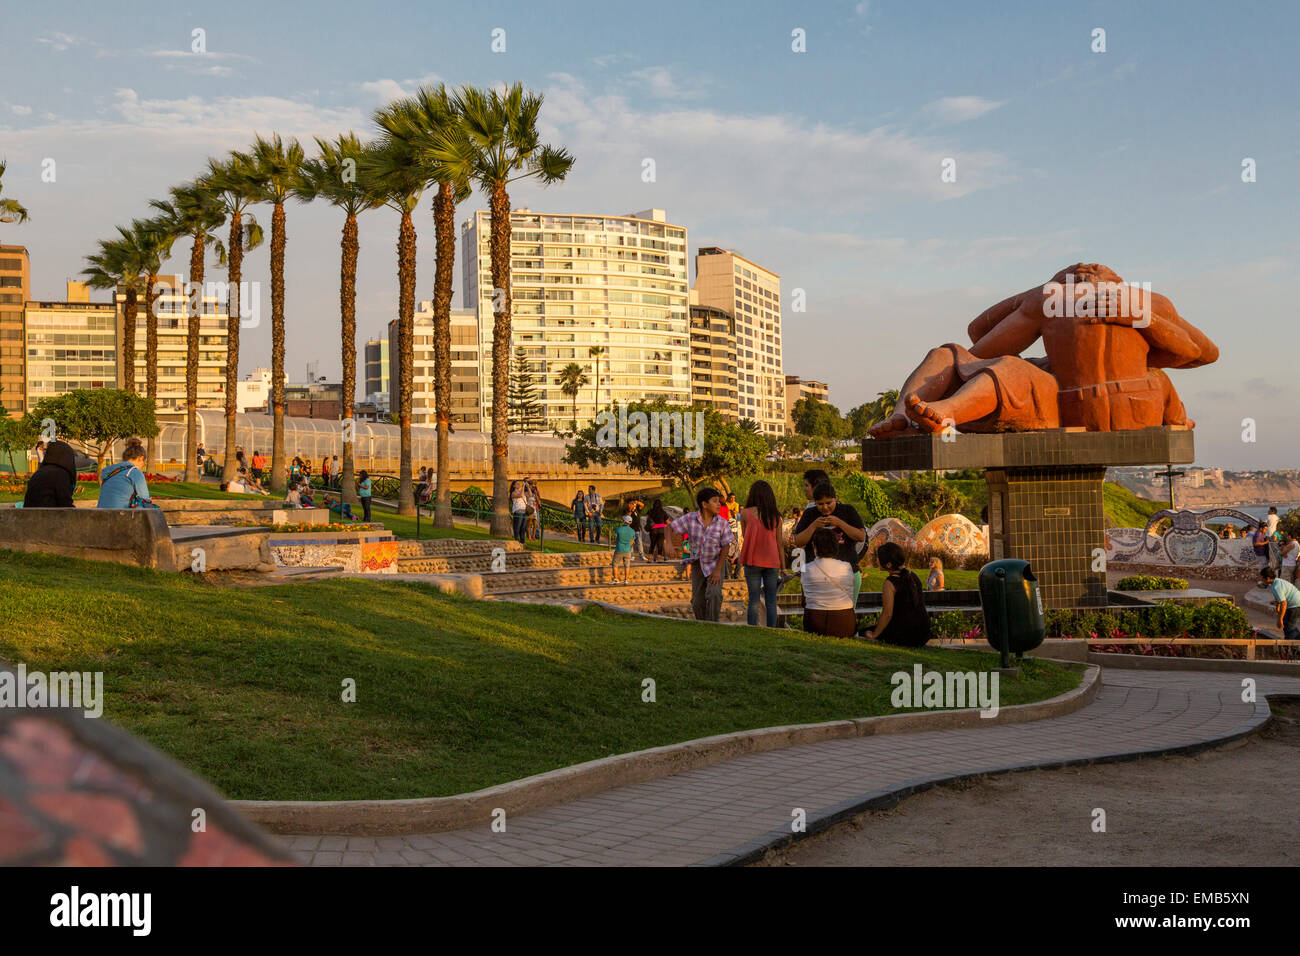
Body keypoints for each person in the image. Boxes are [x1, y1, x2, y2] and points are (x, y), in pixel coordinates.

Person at [791, 481, 867, 603]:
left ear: (835, 498)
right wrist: (814, 526)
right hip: (817, 574)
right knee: (816, 611)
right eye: (820, 504)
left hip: (846, 573)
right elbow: (798, 541)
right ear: (814, 502)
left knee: (845, 612)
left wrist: (839, 523)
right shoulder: (810, 514)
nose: (825, 507)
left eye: (829, 503)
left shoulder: (848, 510)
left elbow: (861, 536)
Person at [667, 487, 735, 622]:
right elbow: (669, 527)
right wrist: (668, 543)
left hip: (716, 563)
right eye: (715, 501)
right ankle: (702, 623)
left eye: (719, 502)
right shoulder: (690, 519)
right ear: (704, 505)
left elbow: (726, 547)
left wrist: (717, 570)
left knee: (714, 594)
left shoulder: (722, 523)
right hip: (698, 564)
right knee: (697, 600)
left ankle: (713, 624)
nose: (718, 504)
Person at [866, 542, 932, 646]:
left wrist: (874, 635)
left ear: (888, 564)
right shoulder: (912, 575)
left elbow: (887, 614)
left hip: (906, 634)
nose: (877, 560)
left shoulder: (890, 583)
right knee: (875, 627)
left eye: (879, 558)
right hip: (924, 632)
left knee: (865, 631)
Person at [739, 479, 784, 628]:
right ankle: (772, 629)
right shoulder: (776, 517)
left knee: (754, 599)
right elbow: (779, 543)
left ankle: (753, 629)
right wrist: (783, 567)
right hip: (772, 562)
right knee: (771, 599)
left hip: (752, 561)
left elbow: (746, 536)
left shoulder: (744, 513)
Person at [801, 528, 858, 637]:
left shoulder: (806, 568)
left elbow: (804, 601)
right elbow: (850, 594)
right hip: (844, 621)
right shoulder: (846, 567)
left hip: (815, 620)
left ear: (815, 547)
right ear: (836, 546)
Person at [97, 438, 158, 509]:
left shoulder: (110, 473)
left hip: (100, 515)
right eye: (144, 461)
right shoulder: (134, 472)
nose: (144, 464)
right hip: (121, 517)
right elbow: (145, 500)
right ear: (140, 458)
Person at [22, 440, 77, 508]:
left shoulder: (38, 473)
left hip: (30, 516)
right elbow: (65, 504)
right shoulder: (60, 475)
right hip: (49, 517)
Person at [1261, 567, 1300, 641]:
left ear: (1268, 578)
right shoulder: (1277, 581)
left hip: (1295, 605)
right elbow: (1279, 599)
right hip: (1295, 603)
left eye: (1262, 578)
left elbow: (1283, 603)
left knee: (1289, 627)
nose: (1261, 580)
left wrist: (1280, 619)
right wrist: (1277, 606)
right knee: (1289, 625)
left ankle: (1291, 647)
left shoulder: (1276, 587)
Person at [612, 515, 637, 584]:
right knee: (627, 565)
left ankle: (616, 579)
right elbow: (632, 541)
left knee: (615, 564)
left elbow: (615, 539)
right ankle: (626, 580)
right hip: (628, 550)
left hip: (619, 549)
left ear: (624, 522)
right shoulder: (632, 531)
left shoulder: (619, 529)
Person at [510, 480, 529, 545]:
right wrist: (523, 486)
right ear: (514, 486)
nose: (519, 484)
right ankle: (517, 540)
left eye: (519, 484)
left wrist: (528, 487)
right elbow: (520, 495)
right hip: (518, 511)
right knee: (517, 526)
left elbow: (530, 495)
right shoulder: (513, 493)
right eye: (517, 484)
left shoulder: (522, 491)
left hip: (524, 511)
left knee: (523, 527)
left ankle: (522, 541)